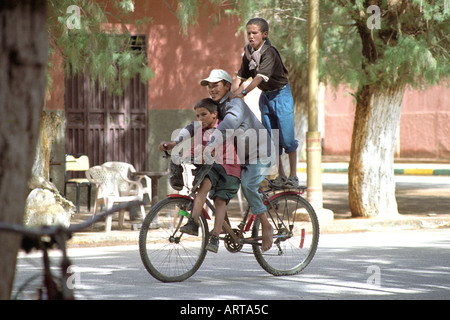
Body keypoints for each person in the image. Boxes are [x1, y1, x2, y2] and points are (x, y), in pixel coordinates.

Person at [162, 69, 276, 252]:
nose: (211, 89)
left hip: (260, 153)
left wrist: (209, 146)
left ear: (227, 86)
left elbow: (227, 126)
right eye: (209, 86)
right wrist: (175, 142)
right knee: (216, 191)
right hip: (240, 158)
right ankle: (228, 231)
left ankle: (266, 225)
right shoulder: (215, 108)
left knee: (248, 186)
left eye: (216, 85)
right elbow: (195, 126)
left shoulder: (235, 104)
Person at [159, 98, 241, 253]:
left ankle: (215, 236)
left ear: (214, 114)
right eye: (197, 116)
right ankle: (194, 223)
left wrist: (200, 155)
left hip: (229, 170)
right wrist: (176, 150)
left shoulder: (221, 129)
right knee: (202, 188)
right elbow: (193, 147)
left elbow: (211, 152)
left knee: (219, 200)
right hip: (212, 168)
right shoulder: (199, 130)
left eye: (203, 115)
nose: (200, 119)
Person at [231, 17, 299, 188]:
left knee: (287, 137)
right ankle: (281, 175)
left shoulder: (269, 52)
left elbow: (259, 78)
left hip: (281, 95)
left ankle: (294, 176)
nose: (251, 36)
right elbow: (241, 76)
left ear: (264, 34)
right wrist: (232, 94)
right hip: (266, 97)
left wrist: (243, 93)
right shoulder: (248, 51)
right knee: (271, 137)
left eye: (255, 33)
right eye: (248, 33)